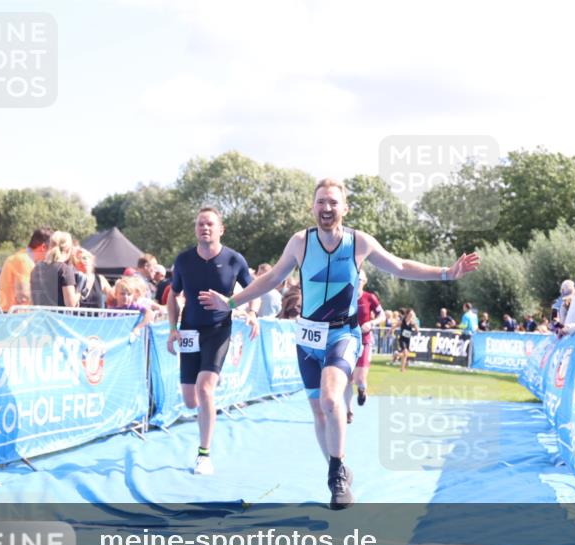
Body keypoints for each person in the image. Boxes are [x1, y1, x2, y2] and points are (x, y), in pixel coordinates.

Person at [199, 178, 479, 509]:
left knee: (333, 399)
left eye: (333, 202)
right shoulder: (300, 242)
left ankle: (337, 478)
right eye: (321, 202)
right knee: (319, 412)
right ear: (313, 207)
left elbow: (401, 266)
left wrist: (447, 272)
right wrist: (232, 304)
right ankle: (337, 466)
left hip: (342, 335)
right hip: (306, 338)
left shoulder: (359, 243)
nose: (327, 208)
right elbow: (272, 278)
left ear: (345, 208)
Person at [166, 207, 259, 475]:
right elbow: (174, 295)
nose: (205, 228)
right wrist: (173, 328)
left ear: (221, 229)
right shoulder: (183, 260)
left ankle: (204, 455)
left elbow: (256, 290)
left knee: (205, 389)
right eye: (200, 224)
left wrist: (252, 312)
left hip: (218, 330)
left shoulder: (234, 259)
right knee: (190, 400)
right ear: (195, 229)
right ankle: (205, 413)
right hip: (189, 332)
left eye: (210, 224)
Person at [345, 269, 383, 423]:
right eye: (355, 279)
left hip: (364, 340)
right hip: (347, 340)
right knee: (348, 378)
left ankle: (362, 390)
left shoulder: (370, 298)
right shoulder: (346, 297)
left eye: (360, 279)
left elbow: (383, 315)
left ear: (365, 281)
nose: (357, 282)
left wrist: (371, 323)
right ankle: (348, 411)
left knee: (360, 378)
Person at [0, 228, 51, 312]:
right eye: (51, 250)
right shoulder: (24, 260)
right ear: (43, 247)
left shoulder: (23, 257)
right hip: (13, 316)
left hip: (11, 315)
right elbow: (23, 295)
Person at [29, 231, 79, 307]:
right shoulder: (65, 270)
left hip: (38, 316)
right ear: (68, 250)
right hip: (58, 318)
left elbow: (32, 299)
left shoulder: (36, 268)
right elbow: (70, 304)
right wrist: (80, 292)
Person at [397, 308, 419, 372]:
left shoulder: (412, 322)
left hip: (408, 340)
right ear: (407, 314)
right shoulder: (403, 320)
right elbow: (395, 326)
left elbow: (417, 330)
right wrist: (388, 333)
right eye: (410, 314)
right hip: (402, 339)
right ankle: (397, 356)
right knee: (405, 353)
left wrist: (415, 325)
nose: (411, 315)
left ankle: (402, 368)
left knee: (405, 355)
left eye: (412, 314)